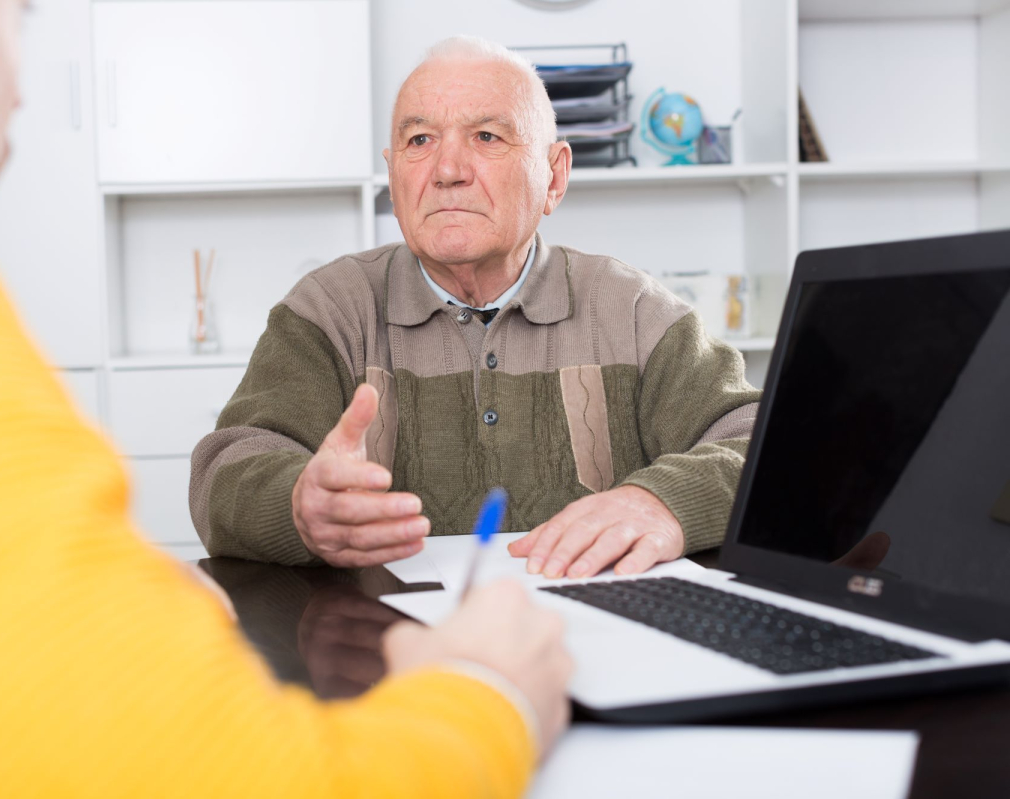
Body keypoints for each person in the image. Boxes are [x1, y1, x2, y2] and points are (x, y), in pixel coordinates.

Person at [0, 1, 573, 795]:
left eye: (487, 136)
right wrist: (491, 689)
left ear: (553, 175)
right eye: (18, 17)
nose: (24, 91)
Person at [191, 35, 762, 580]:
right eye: (420, 141)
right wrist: (300, 505)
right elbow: (226, 466)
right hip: (387, 649)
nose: (447, 170)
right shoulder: (329, 311)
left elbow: (764, 444)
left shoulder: (636, 312)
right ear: (393, 177)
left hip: (592, 645)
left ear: (554, 177)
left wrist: (664, 502)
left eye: (487, 136)